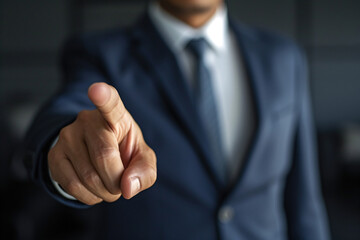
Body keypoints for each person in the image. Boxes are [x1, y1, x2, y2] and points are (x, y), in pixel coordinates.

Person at [23, 0, 330, 239]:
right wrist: (69, 149)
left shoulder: (284, 58)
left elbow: (305, 203)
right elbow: (63, 116)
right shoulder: (100, 54)